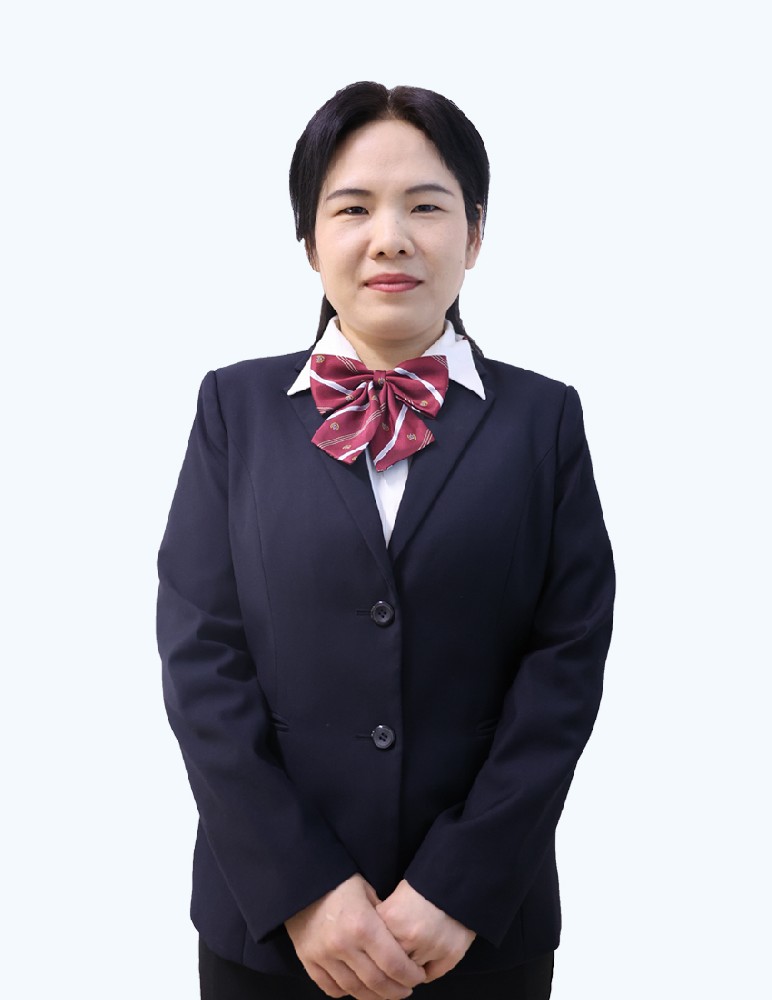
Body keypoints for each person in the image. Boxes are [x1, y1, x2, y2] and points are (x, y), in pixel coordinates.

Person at [157, 81, 615, 1000]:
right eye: (353, 207)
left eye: (427, 207)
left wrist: (459, 886)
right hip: (271, 931)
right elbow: (201, 656)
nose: (390, 237)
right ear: (309, 240)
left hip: (479, 929)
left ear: (474, 235)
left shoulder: (544, 420)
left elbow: (564, 666)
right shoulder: (235, 410)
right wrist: (303, 889)